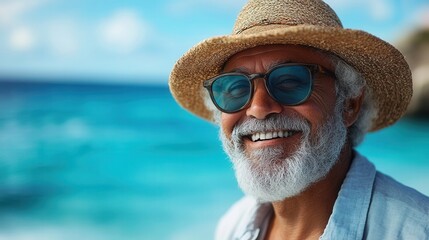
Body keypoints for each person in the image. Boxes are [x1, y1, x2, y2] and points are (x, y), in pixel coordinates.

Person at [169, 0, 429, 239]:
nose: (259, 108)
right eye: (235, 89)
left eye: (290, 80)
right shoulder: (233, 225)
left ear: (349, 104)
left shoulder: (415, 229)